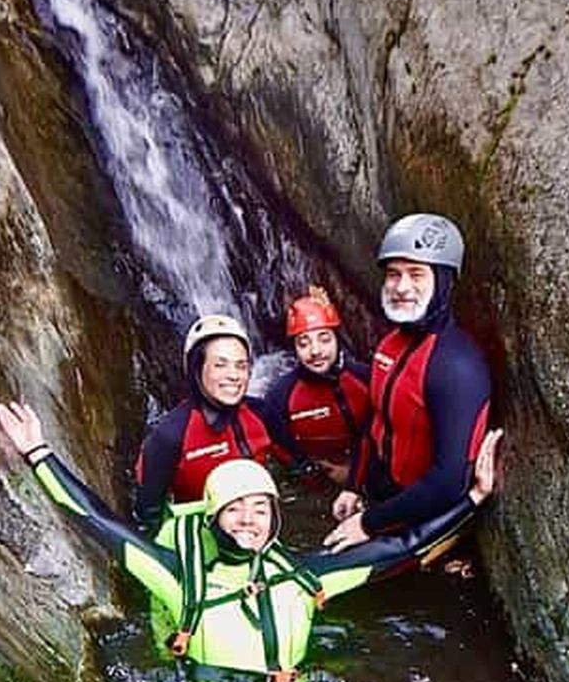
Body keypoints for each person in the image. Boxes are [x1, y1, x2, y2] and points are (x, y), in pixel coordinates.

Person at [0, 401, 502, 682]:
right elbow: (99, 522)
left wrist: (476, 497)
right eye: (234, 510)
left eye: (260, 509)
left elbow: (404, 549)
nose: (248, 520)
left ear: (276, 518)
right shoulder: (177, 578)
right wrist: (39, 453)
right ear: (213, 517)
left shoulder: (307, 578)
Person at [325, 213, 492, 552]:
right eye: (393, 274)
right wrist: (353, 487)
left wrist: (369, 524)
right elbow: (373, 422)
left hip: (422, 519)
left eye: (416, 274)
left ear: (443, 281)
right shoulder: (391, 345)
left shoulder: (456, 365)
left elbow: (448, 482)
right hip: (383, 502)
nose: (401, 287)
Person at [133, 313, 277, 536]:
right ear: (196, 369)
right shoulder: (170, 436)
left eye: (241, 366)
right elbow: (147, 517)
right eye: (221, 365)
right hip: (198, 537)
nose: (234, 376)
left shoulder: (262, 413)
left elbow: (295, 461)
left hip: (255, 530)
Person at [262, 286, 370, 486]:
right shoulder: (279, 397)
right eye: (304, 343)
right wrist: (315, 474)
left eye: (324, 339)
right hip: (316, 481)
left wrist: (354, 475)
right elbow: (282, 450)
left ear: (338, 340)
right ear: (294, 348)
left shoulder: (366, 380)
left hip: (367, 473)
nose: (315, 351)